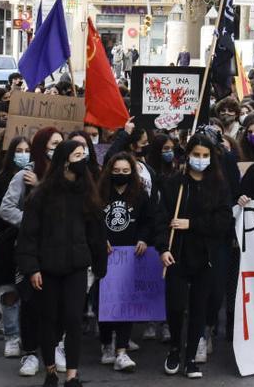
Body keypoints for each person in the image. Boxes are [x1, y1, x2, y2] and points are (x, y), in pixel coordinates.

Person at [16, 139, 108, 387]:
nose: (83, 160)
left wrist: (99, 264)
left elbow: (97, 232)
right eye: (78, 155)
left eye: (84, 155)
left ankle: (72, 375)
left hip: (76, 266)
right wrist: (32, 267)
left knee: (73, 318)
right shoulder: (42, 194)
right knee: (49, 318)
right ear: (66, 160)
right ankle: (50, 371)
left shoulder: (87, 192)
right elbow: (28, 234)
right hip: (47, 267)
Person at [156, 134, 232, 379]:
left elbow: (223, 222)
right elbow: (160, 220)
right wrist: (163, 249)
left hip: (205, 256)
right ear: (187, 155)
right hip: (177, 254)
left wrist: (192, 224)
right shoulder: (174, 184)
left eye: (205, 155)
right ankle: (175, 349)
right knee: (176, 306)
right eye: (196, 155)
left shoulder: (218, 185)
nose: (200, 159)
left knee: (199, 307)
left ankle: (190, 359)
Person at [0, 127, 64, 377]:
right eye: (52, 143)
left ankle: (55, 348)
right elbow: (6, 209)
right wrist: (31, 221)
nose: (57, 147)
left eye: (61, 143)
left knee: (58, 304)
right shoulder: (25, 175)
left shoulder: (66, 176)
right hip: (31, 250)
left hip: (59, 251)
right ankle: (29, 353)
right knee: (31, 302)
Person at [97, 152, 160, 372]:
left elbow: (148, 220)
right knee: (103, 303)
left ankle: (121, 352)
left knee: (126, 304)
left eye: (125, 171)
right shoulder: (99, 191)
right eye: (116, 171)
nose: (120, 175)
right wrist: (99, 239)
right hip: (104, 256)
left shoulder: (140, 194)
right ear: (109, 172)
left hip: (130, 256)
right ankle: (106, 343)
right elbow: (91, 219)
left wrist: (143, 238)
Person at [0, 136, 29, 358]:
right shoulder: (0, 180)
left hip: (30, 246)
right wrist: (1, 234)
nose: (23, 153)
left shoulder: (36, 179)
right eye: (19, 150)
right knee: (9, 292)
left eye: (27, 149)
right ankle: (12, 337)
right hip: (5, 246)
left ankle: (28, 337)